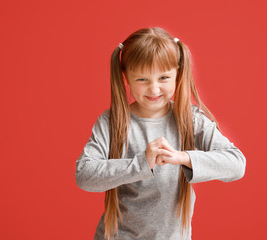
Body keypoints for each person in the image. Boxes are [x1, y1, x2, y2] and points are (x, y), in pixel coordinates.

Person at [75, 27, 246, 240]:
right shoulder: (112, 121)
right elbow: (84, 175)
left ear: (178, 73)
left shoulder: (190, 119)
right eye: (142, 79)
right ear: (126, 77)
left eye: (163, 77)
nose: (154, 89)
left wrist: (183, 157)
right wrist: (141, 164)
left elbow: (236, 164)